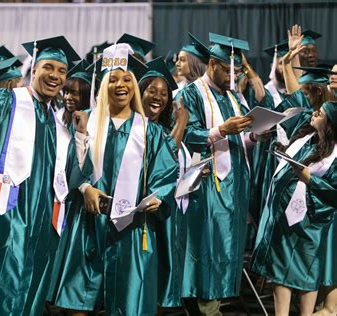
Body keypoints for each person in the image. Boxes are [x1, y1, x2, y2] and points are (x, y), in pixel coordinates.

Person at [49, 43, 177, 315]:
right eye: (114, 79)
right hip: (88, 224)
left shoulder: (150, 132)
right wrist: (84, 187)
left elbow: (165, 174)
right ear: (103, 85)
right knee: (78, 303)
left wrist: (158, 196)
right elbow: (73, 167)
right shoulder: (88, 123)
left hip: (132, 228)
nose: (121, 85)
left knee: (129, 303)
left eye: (127, 79)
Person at [0, 35, 82, 316]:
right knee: (0, 289)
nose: (55, 76)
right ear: (35, 69)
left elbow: (73, 173)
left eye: (61, 71)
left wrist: (82, 134)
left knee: (31, 292)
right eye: (48, 68)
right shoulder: (8, 100)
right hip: (7, 217)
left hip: (43, 223)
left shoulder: (59, 122)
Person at [178, 32, 262, 315]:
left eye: (235, 71)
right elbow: (186, 135)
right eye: (227, 69)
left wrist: (255, 135)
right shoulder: (190, 93)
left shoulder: (234, 96)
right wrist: (221, 130)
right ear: (212, 63)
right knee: (206, 246)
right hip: (207, 187)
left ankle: (213, 302)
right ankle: (205, 305)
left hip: (233, 187)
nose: (231, 76)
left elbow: (241, 138)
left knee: (226, 248)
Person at [251, 101, 337, 316]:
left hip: (311, 224)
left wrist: (310, 180)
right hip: (284, 219)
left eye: (322, 112)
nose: (316, 112)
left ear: (331, 124)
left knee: (306, 274)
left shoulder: (334, 156)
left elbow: (333, 193)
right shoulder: (305, 140)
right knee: (280, 272)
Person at [139, 56, 191, 311]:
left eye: (164, 93)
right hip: (144, 214)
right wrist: (181, 123)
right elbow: (166, 157)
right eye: (152, 91)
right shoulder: (136, 128)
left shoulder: (158, 129)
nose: (158, 97)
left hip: (165, 211)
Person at [62, 60, 92, 127]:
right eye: (66, 92)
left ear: (86, 96)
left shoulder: (93, 123)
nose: (68, 97)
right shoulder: (58, 119)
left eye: (74, 93)